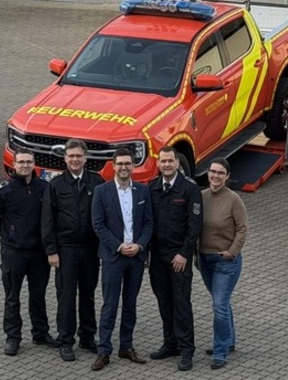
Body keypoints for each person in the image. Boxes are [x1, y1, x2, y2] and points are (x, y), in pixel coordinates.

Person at [0, 148, 59, 356]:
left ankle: (40, 333)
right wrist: (9, 235)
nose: (25, 166)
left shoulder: (45, 188)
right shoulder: (4, 190)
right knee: (12, 296)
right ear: (14, 164)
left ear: (34, 163)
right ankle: (13, 337)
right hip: (13, 253)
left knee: (38, 295)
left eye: (29, 162)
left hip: (38, 253)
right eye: (21, 162)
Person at [89, 148, 153, 371]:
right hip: (112, 257)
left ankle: (126, 346)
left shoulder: (143, 192)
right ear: (113, 166)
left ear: (133, 166)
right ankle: (104, 350)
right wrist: (118, 246)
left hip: (136, 257)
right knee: (110, 304)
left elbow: (148, 224)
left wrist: (139, 245)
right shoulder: (101, 191)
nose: (124, 167)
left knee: (130, 304)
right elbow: (98, 225)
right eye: (120, 164)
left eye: (128, 163)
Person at [42, 139, 104, 361]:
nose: (75, 159)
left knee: (88, 294)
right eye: (71, 156)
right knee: (66, 296)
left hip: (90, 249)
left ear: (85, 158)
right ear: (65, 158)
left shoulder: (96, 183)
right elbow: (47, 220)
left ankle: (87, 337)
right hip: (66, 250)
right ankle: (66, 340)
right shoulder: (56, 185)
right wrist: (51, 250)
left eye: (79, 156)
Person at [148, 146, 203, 371]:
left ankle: (187, 350)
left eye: (171, 161)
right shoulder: (152, 188)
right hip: (157, 256)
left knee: (181, 303)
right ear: (158, 163)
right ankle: (169, 343)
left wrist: (184, 254)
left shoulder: (189, 189)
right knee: (164, 301)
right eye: (163, 161)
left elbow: (195, 225)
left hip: (179, 255)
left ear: (177, 163)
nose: (167, 165)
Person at [198, 158, 248, 370]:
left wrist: (231, 252)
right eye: (212, 172)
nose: (215, 176)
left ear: (227, 176)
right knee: (222, 303)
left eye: (220, 173)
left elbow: (243, 229)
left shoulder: (234, 199)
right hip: (204, 260)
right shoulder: (200, 197)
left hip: (225, 262)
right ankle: (230, 341)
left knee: (219, 305)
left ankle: (220, 352)